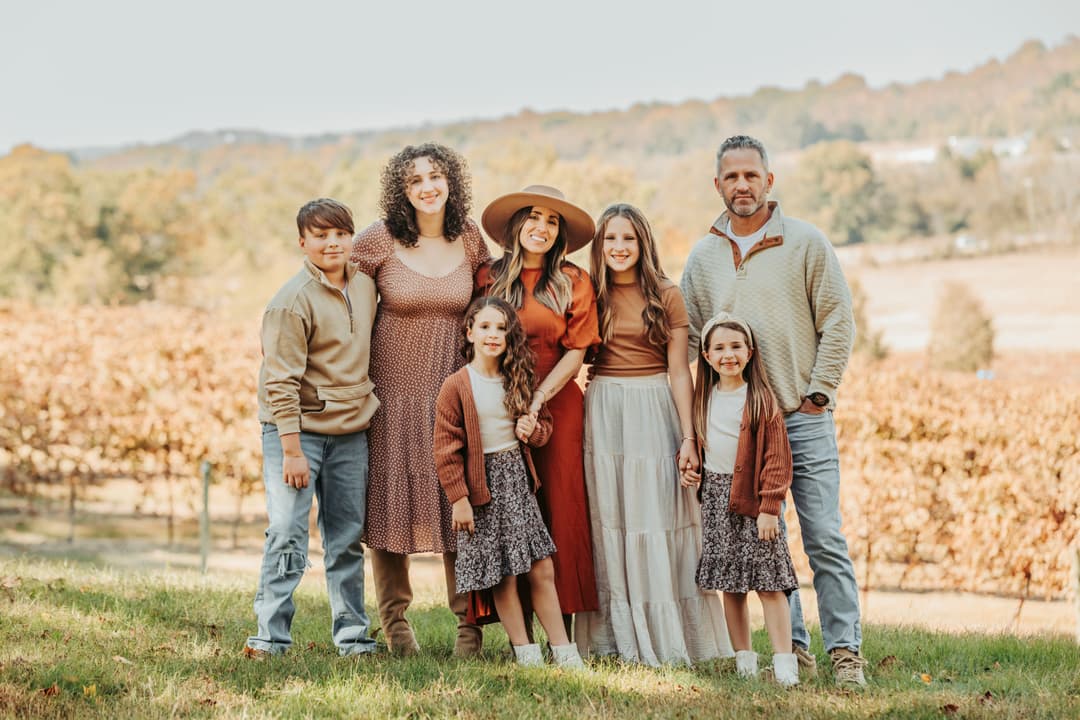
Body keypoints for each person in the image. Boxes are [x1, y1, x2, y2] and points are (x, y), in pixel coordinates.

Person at [680, 134, 866, 685]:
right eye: (731, 177)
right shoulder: (703, 256)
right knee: (768, 542)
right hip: (736, 429)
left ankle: (845, 652)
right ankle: (797, 649)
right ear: (718, 185)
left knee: (823, 536)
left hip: (799, 418)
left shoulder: (807, 243)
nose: (742, 185)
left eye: (751, 175)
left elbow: (838, 321)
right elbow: (688, 341)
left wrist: (817, 396)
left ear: (769, 181)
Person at [574, 203, 731, 666]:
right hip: (602, 408)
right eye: (610, 239)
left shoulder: (667, 293)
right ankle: (611, 638)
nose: (619, 248)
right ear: (599, 246)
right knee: (611, 519)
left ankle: (670, 637)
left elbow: (680, 372)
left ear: (643, 244)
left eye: (628, 239)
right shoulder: (588, 293)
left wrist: (688, 437)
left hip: (653, 405)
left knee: (656, 518)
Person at [350, 143, 491, 657]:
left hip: (453, 392)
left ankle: (468, 630)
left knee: (460, 502)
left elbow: (492, 301)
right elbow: (338, 296)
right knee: (389, 504)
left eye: (436, 176)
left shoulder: (471, 237)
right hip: (390, 392)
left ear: (451, 182)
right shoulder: (377, 240)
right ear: (401, 191)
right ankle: (397, 629)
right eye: (415, 180)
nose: (427, 186)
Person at [247, 198, 379, 657]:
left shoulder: (365, 284)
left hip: (350, 431)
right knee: (287, 532)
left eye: (340, 233)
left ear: (351, 237)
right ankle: (270, 637)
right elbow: (279, 383)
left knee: (346, 538)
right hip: (296, 430)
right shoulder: (290, 303)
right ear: (303, 242)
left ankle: (353, 638)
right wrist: (292, 450)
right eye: (320, 235)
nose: (332, 242)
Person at [474, 185, 601, 633]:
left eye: (551, 221)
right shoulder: (487, 277)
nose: (541, 228)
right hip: (497, 401)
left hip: (559, 402)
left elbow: (578, 349)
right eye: (533, 217)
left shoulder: (575, 280)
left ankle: (561, 626)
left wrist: (538, 397)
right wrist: (505, 398)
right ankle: (516, 631)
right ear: (515, 225)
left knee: (559, 507)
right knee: (509, 507)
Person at [434, 296, 585, 668]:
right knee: (501, 573)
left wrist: (532, 430)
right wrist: (459, 499)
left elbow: (543, 428)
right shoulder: (456, 386)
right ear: (469, 332)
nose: (493, 335)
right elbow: (445, 449)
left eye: (501, 328)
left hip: (517, 483)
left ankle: (564, 651)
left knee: (541, 567)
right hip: (482, 488)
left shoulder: (518, 377)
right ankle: (525, 651)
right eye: (484, 327)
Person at [682, 313, 799, 686]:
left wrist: (770, 509)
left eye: (735, 347)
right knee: (731, 585)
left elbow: (777, 462)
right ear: (705, 354)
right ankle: (744, 661)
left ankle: (784, 664)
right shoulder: (702, 399)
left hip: (754, 503)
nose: (727, 354)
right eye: (719, 348)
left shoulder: (762, 401)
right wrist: (691, 468)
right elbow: (701, 444)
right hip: (716, 500)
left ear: (749, 352)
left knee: (769, 583)